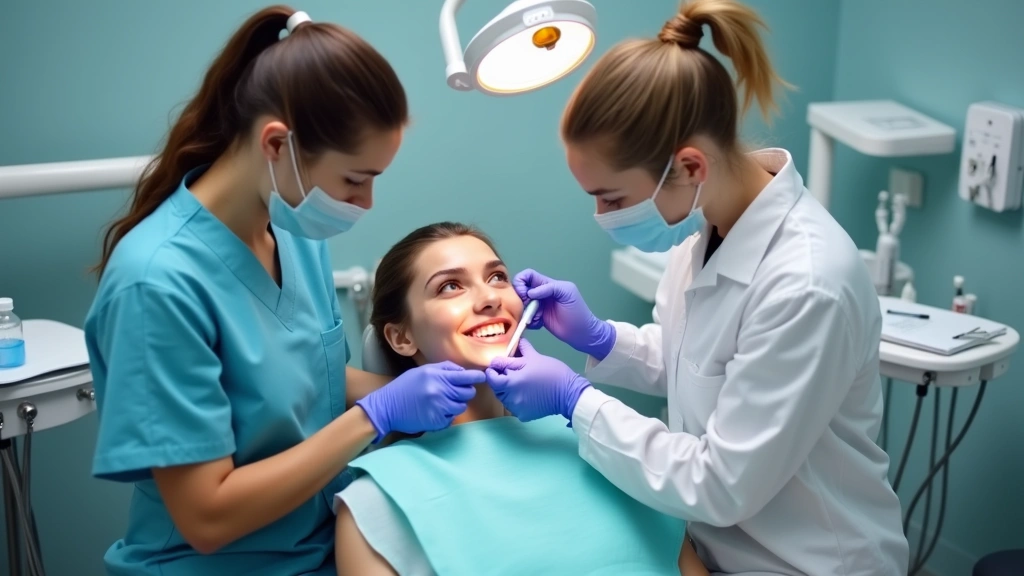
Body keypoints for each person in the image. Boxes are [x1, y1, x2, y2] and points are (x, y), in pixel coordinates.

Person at [484, 0, 910, 574]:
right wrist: (600, 338)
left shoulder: (808, 285)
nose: (603, 217)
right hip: (711, 548)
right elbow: (698, 366)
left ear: (689, 167)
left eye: (612, 198)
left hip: (804, 561)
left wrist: (575, 401)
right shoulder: (704, 232)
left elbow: (721, 483)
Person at [84, 7, 485, 575]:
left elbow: (307, 375)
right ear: (277, 144)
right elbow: (207, 517)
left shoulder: (291, 232)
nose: (365, 203)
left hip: (322, 543)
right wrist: (376, 415)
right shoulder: (156, 285)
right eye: (355, 180)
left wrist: (437, 395)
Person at [332, 222, 709, 576]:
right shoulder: (378, 501)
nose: (489, 298)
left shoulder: (603, 442)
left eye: (497, 277)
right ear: (401, 338)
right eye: (450, 286)